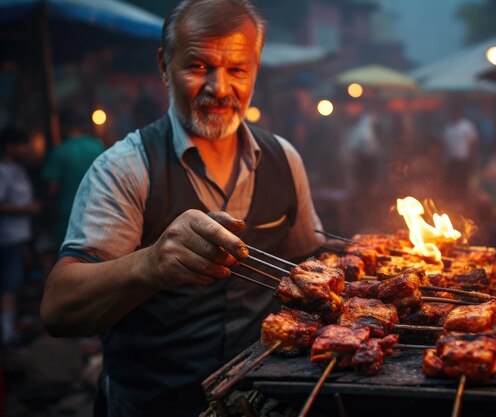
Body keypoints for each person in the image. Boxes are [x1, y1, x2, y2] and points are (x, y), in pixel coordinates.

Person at [40, 1, 323, 416]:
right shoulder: (125, 168)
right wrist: (150, 264)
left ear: (255, 69)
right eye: (199, 66)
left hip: (263, 403)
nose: (220, 88)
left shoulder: (285, 159)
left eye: (237, 70)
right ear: (164, 65)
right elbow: (58, 309)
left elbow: (307, 266)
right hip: (152, 405)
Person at [0, 125, 40, 346]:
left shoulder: (17, 168)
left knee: (13, 285)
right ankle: (6, 334)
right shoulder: (4, 171)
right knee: (8, 286)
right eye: (21, 144)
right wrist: (24, 208)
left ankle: (10, 329)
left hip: (18, 237)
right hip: (6, 238)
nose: (25, 149)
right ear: (9, 147)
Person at [42, 109, 105, 248]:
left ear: (62, 126)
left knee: (70, 259)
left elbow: (52, 188)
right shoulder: (97, 146)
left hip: (68, 217)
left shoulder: (59, 152)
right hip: (97, 214)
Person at [440, 104, 479, 201]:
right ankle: (453, 203)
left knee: (462, 185)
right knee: (452, 185)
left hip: (463, 161)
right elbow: (445, 145)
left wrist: (472, 158)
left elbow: (473, 142)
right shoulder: (448, 128)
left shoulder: (466, 126)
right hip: (452, 162)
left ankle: (462, 203)